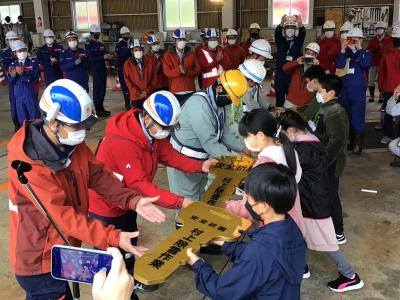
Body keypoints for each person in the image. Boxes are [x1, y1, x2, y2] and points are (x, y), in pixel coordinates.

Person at [7, 79, 166, 300]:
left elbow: (98, 175)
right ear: (53, 123)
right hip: (40, 261)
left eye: (85, 124)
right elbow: (64, 218)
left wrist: (133, 200)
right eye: (77, 126)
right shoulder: (30, 166)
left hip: (65, 249)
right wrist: (112, 236)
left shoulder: (71, 145)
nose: (82, 131)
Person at [88, 91, 217, 292]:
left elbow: (170, 156)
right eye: (164, 127)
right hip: (105, 207)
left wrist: (201, 166)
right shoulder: (122, 141)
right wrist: (181, 202)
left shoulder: (151, 133)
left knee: (130, 243)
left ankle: (131, 278)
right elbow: (140, 185)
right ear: (147, 118)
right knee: (110, 253)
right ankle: (110, 291)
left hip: (129, 202)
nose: (167, 132)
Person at [187, 163, 306, 300]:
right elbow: (265, 257)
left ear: (263, 206)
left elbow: (225, 292)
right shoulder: (290, 227)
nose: (246, 203)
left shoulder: (259, 252)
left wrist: (199, 265)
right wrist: (225, 244)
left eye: (248, 198)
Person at [279, 110, 364, 293]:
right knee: (297, 232)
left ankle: (350, 276)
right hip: (312, 197)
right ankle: (301, 267)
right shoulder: (311, 138)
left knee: (326, 241)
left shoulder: (303, 150)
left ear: (292, 130)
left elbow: (288, 169)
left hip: (313, 202)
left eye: (284, 132)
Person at [167, 70, 249, 208]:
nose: (230, 102)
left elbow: (224, 133)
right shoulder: (199, 105)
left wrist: (242, 148)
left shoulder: (218, 104)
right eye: (229, 98)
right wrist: (236, 163)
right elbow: (210, 143)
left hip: (200, 162)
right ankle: (182, 227)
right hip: (182, 161)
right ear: (218, 88)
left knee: (198, 200)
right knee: (186, 205)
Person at [225, 109, 305, 236]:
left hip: (273, 227)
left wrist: (226, 206)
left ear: (261, 135)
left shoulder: (264, 163)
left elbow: (250, 205)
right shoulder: (286, 147)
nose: (245, 140)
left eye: (247, 136)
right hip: (292, 216)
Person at [314, 75, 349, 244]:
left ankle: (338, 232)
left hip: (331, 162)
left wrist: (324, 163)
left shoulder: (336, 112)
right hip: (324, 158)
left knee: (331, 196)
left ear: (331, 92)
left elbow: (337, 141)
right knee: (326, 194)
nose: (318, 93)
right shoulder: (326, 107)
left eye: (321, 91)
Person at [336, 27, 372, 155]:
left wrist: (360, 49)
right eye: (350, 40)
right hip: (344, 91)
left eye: (355, 39)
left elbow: (366, 64)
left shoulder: (365, 53)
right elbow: (339, 66)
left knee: (357, 117)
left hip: (358, 92)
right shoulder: (344, 54)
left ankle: (358, 145)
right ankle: (350, 141)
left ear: (361, 40)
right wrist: (342, 49)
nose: (353, 42)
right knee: (346, 117)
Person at [228, 59, 268, 139]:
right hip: (234, 136)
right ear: (248, 79)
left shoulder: (239, 87)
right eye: (254, 83)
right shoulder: (231, 91)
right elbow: (230, 124)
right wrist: (248, 138)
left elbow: (249, 105)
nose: (254, 86)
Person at [275, 15, 306, 107]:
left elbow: (302, 34)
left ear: (295, 29)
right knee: (279, 98)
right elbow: (277, 33)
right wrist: (281, 23)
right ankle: (279, 115)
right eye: (287, 27)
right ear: (284, 30)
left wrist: (300, 24)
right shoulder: (280, 41)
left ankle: (289, 117)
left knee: (291, 99)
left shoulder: (297, 42)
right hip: (280, 75)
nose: (290, 29)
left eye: (292, 27)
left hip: (293, 75)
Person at [7, 40, 40, 126]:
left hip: (30, 95)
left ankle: (36, 137)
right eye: (19, 51)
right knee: (23, 120)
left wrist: (23, 74)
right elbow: (9, 81)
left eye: (24, 50)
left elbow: (35, 79)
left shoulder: (33, 63)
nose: (22, 52)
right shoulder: (13, 64)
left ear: (27, 50)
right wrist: (13, 76)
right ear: (15, 53)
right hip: (18, 97)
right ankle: (25, 137)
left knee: (35, 119)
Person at [163, 28, 200, 104]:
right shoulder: (167, 55)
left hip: (190, 89)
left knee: (190, 113)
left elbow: (197, 70)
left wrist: (186, 71)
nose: (182, 41)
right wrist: (179, 71)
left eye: (183, 39)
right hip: (176, 91)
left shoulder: (192, 53)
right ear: (175, 40)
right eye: (179, 39)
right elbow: (167, 72)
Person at [378, 26, 400, 144]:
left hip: (391, 87)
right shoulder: (387, 53)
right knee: (388, 111)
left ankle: (390, 135)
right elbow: (382, 71)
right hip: (389, 87)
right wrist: (381, 88)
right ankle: (388, 134)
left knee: (389, 111)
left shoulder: (387, 52)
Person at [86, 24, 113, 117]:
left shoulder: (101, 44)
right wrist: (103, 57)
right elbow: (91, 59)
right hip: (95, 70)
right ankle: (98, 109)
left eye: (98, 33)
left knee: (103, 89)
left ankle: (101, 108)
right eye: (95, 33)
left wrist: (109, 56)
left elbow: (105, 53)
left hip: (102, 69)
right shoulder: (89, 46)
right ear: (91, 34)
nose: (97, 34)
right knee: (97, 89)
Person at [283, 42, 321, 108]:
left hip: (305, 104)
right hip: (290, 101)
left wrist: (317, 67)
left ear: (316, 56)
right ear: (304, 53)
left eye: (313, 54)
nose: (310, 55)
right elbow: (285, 68)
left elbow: (321, 83)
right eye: (308, 53)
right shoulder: (297, 65)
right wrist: (296, 62)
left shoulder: (318, 68)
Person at [123, 39, 155, 109]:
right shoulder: (127, 64)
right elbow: (127, 81)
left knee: (149, 117)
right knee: (137, 116)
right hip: (136, 97)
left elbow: (154, 78)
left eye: (140, 49)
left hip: (148, 95)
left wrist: (147, 91)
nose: (138, 51)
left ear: (143, 50)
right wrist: (137, 93)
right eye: (136, 50)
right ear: (132, 51)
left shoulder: (149, 62)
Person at [367, 21, 392, 103]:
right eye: (377, 28)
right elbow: (368, 51)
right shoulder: (373, 40)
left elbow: (390, 51)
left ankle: (381, 97)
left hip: (383, 64)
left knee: (382, 80)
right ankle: (371, 96)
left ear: (384, 30)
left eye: (381, 28)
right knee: (371, 80)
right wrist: (376, 48)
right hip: (373, 63)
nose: (379, 30)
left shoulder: (389, 40)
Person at [1, 31, 19, 131]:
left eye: (14, 39)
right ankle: (16, 124)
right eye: (10, 40)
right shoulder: (4, 53)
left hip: (22, 81)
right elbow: (6, 66)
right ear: (7, 41)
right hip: (12, 82)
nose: (12, 41)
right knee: (14, 103)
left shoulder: (21, 50)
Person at [115, 26, 132, 110]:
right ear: (122, 35)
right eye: (125, 34)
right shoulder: (119, 45)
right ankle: (127, 104)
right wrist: (128, 47)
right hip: (122, 68)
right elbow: (120, 56)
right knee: (125, 86)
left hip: (131, 68)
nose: (126, 35)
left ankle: (134, 101)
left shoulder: (133, 42)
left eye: (128, 34)